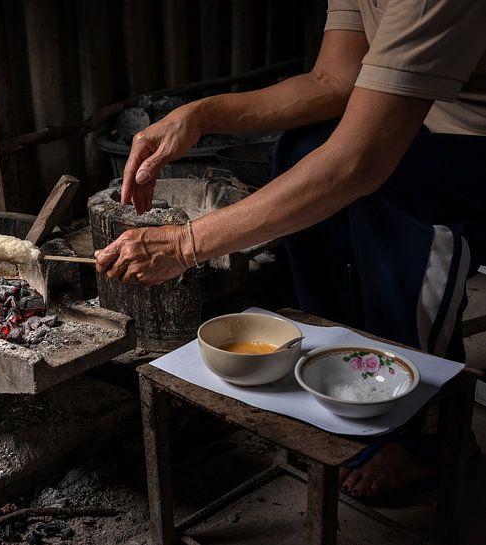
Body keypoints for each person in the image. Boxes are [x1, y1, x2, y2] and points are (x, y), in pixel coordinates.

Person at [95, 0, 486, 501]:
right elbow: (333, 82)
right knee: (299, 147)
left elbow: (361, 161)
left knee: (388, 189)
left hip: (474, 143)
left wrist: (187, 243)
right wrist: (199, 115)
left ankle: (430, 434)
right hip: (419, 128)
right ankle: (342, 374)